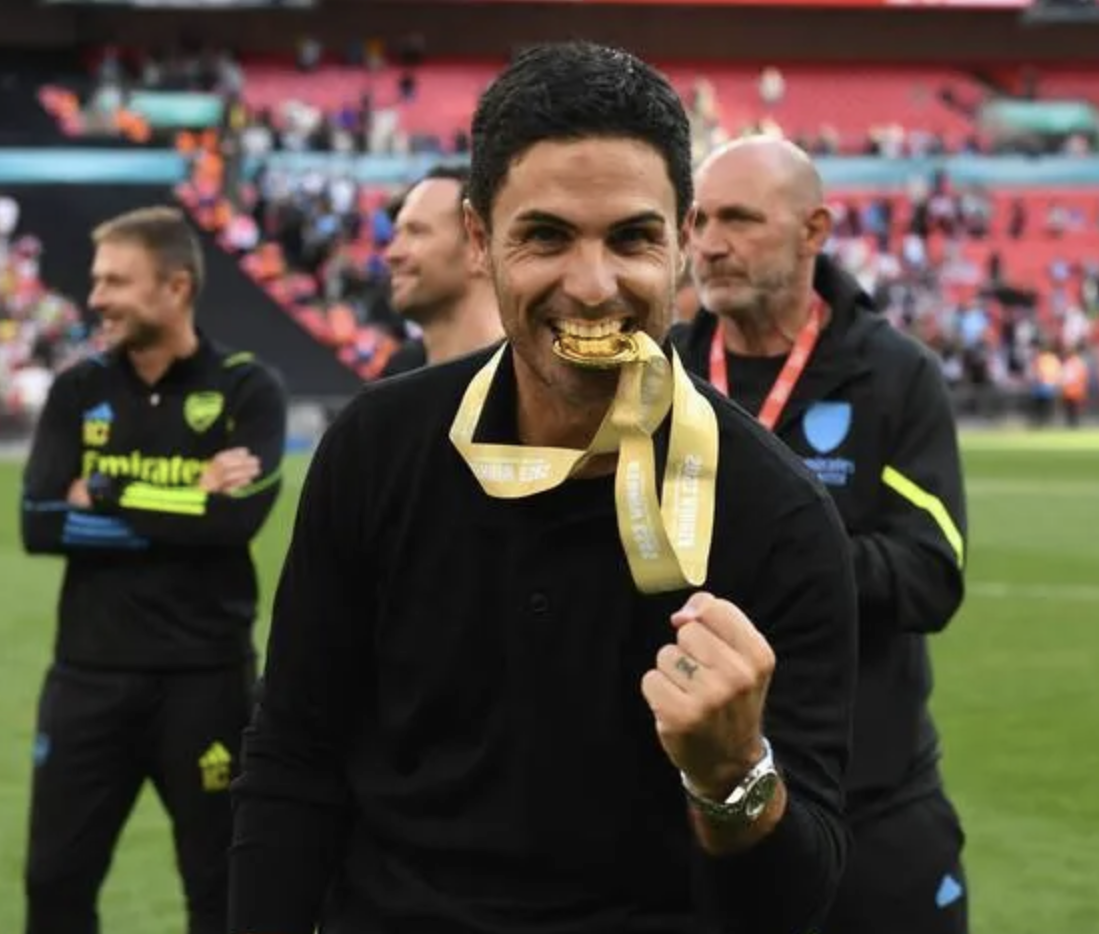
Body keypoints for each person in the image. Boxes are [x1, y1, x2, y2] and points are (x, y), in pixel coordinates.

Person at [229, 42, 857, 934]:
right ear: (482, 241)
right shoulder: (377, 449)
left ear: (682, 246)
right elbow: (293, 761)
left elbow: (792, 905)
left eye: (633, 238)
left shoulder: (779, 516)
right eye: (547, 236)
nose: (593, 286)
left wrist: (733, 778)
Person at [673, 136, 969, 934]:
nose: (710, 244)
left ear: (814, 230)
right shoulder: (664, 374)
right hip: (699, 809)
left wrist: (782, 554)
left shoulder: (893, 374)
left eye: (740, 219)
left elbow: (931, 571)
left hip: (870, 804)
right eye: (698, 220)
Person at [20, 205, 288, 934]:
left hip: (204, 682)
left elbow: (236, 519)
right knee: (54, 883)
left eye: (115, 280)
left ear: (175, 288)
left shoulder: (245, 387)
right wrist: (186, 500)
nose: (96, 296)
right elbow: (39, 523)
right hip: (87, 679)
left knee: (219, 886)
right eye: (97, 280)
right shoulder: (78, 392)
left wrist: (104, 493)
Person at [378, 164, 504, 377]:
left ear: (479, 244)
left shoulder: (535, 381)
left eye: (416, 232)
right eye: (396, 235)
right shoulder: (398, 373)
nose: (392, 254)